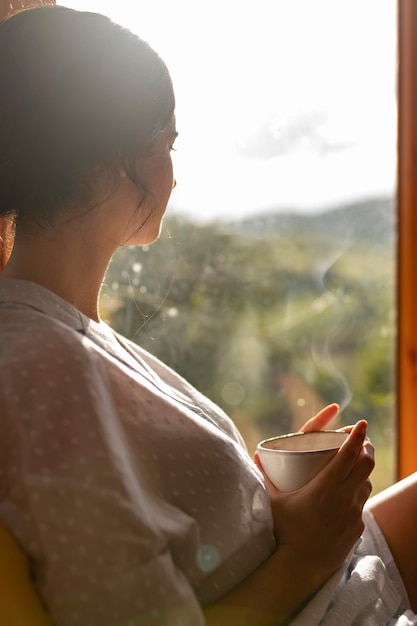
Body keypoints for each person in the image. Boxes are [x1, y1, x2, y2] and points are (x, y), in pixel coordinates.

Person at [0, 5, 415, 626]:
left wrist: (274, 506)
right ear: (112, 158)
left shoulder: (68, 333)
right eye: (166, 143)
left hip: (334, 580)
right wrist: (304, 555)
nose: (174, 173)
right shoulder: (43, 364)